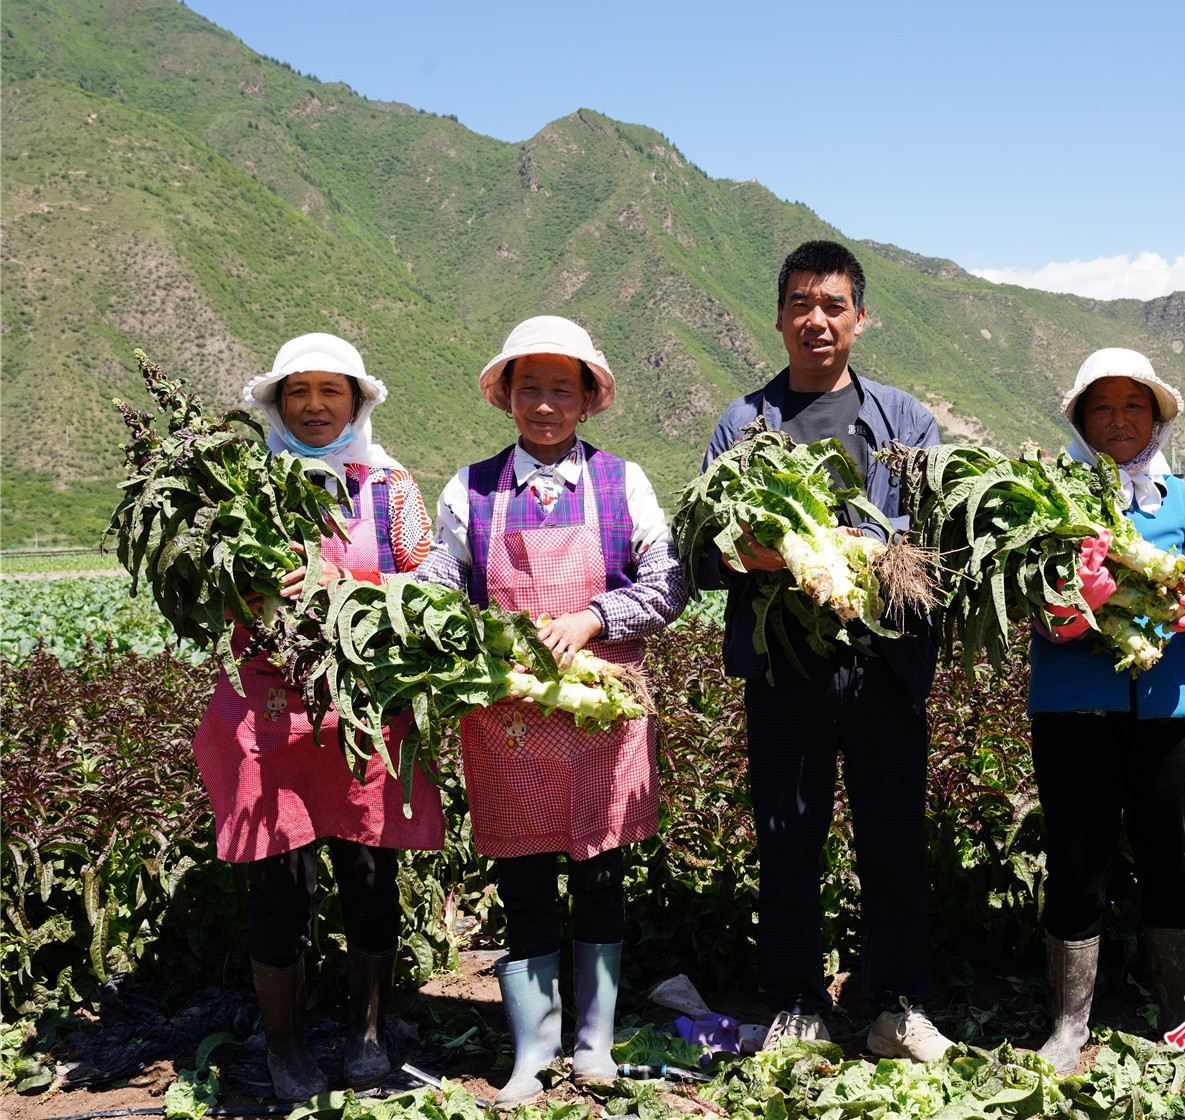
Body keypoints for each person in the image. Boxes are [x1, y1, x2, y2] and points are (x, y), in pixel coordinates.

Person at [413, 316, 685, 1104]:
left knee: (601, 874)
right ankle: (533, 1052)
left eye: (560, 388)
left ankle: (594, 1045)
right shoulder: (469, 489)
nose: (543, 404)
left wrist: (594, 619)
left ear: (587, 399)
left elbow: (666, 585)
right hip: (509, 719)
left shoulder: (624, 482)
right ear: (506, 397)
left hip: (602, 713)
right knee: (523, 880)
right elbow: (438, 586)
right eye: (527, 387)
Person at [698, 240, 953, 1062]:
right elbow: (702, 548)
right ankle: (797, 1001)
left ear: (860, 318)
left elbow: (944, 535)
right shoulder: (743, 424)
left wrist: (872, 548)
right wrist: (753, 552)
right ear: (777, 319)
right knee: (788, 834)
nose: (817, 320)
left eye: (833, 305)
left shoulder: (906, 422)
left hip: (884, 663)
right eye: (801, 305)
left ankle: (897, 1004)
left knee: (892, 837)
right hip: (785, 667)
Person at [193, 333, 443, 1101]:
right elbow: (201, 582)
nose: (312, 406)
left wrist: (348, 579)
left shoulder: (388, 484)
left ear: (356, 401)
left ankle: (366, 1034)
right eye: (297, 392)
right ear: (275, 403)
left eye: (329, 391)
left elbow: (430, 582)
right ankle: (286, 1045)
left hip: (367, 714)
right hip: (271, 720)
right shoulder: (238, 486)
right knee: (278, 884)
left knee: (372, 875)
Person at [1027, 349, 1185, 1073]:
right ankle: (1068, 1023)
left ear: (1157, 419)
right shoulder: (1048, 507)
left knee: (1173, 858)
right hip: (1072, 709)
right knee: (1077, 860)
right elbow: (1033, 608)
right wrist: (1072, 608)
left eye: (1134, 407)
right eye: (1103, 408)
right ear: (1083, 421)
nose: (1119, 420)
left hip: (1172, 706)